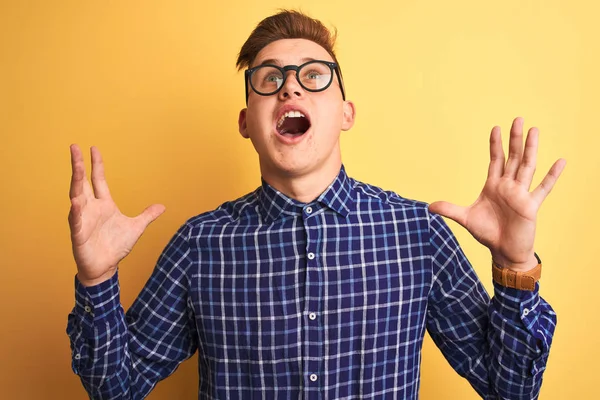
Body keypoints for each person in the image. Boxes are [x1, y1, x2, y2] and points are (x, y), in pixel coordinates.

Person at [66, 10, 566, 400]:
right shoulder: (200, 246)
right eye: (269, 79)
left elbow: (509, 389)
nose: (289, 86)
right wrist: (96, 282)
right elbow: (117, 389)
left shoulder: (419, 234)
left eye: (312, 76)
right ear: (246, 121)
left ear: (346, 113)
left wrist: (514, 266)